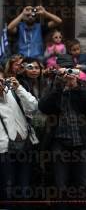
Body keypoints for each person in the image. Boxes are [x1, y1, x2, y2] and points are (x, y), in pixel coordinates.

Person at [38, 68, 86, 209]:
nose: (67, 75)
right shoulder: (54, 86)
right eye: (63, 72)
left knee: (83, 185)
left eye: (70, 71)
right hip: (59, 143)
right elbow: (43, 107)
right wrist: (59, 86)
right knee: (60, 186)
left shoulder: (82, 85)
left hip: (82, 142)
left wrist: (77, 87)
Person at [0, 71, 39, 202]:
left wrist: (19, 88)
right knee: (8, 191)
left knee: (25, 190)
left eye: (1, 80)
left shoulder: (14, 93)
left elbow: (34, 107)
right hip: (3, 151)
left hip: (24, 147)